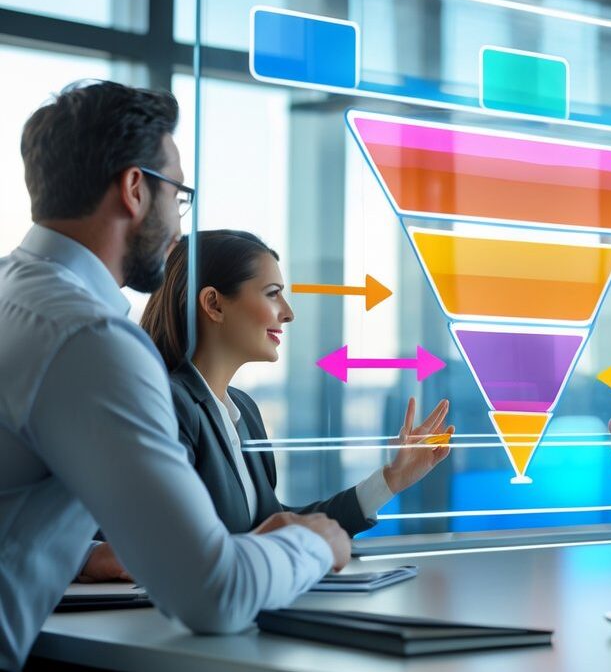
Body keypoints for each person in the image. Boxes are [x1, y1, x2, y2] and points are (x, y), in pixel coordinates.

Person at [0, 80, 349, 669]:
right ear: (135, 189)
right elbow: (215, 594)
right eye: (178, 195)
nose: (177, 223)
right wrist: (314, 543)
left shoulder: (18, 299)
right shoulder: (91, 340)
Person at [142, 230, 453, 536]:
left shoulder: (243, 410)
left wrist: (391, 479)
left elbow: (273, 525)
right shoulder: (169, 404)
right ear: (214, 304)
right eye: (272, 293)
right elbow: (177, 543)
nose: (288, 313)